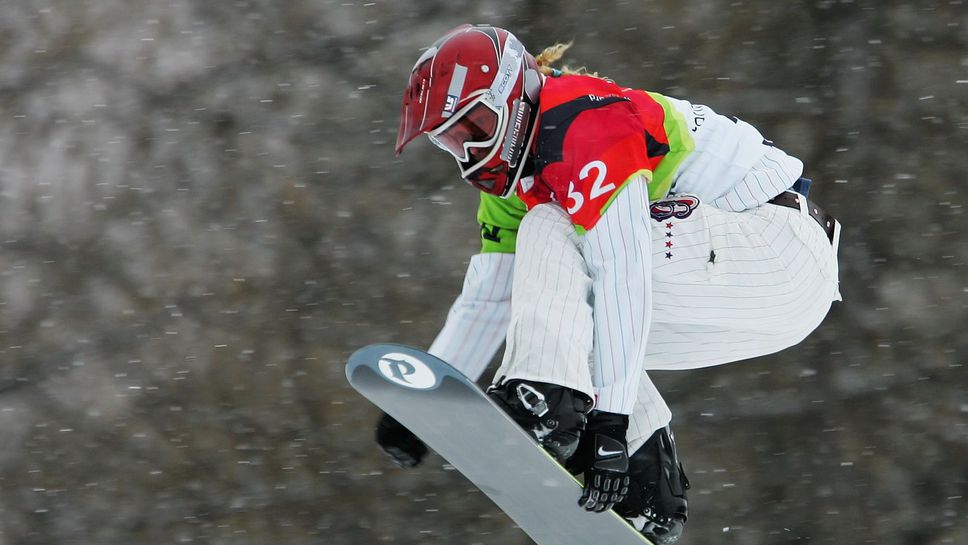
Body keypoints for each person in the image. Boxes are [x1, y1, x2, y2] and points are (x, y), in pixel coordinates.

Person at [377, 24, 841, 545]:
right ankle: (648, 485)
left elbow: (623, 269)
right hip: (758, 297)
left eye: (475, 125)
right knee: (556, 312)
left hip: (773, 245)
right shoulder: (514, 184)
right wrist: (426, 405)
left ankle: (547, 400)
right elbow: (492, 299)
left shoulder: (580, 118)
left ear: (512, 94)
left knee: (553, 237)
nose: (468, 149)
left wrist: (611, 424)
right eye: (451, 140)